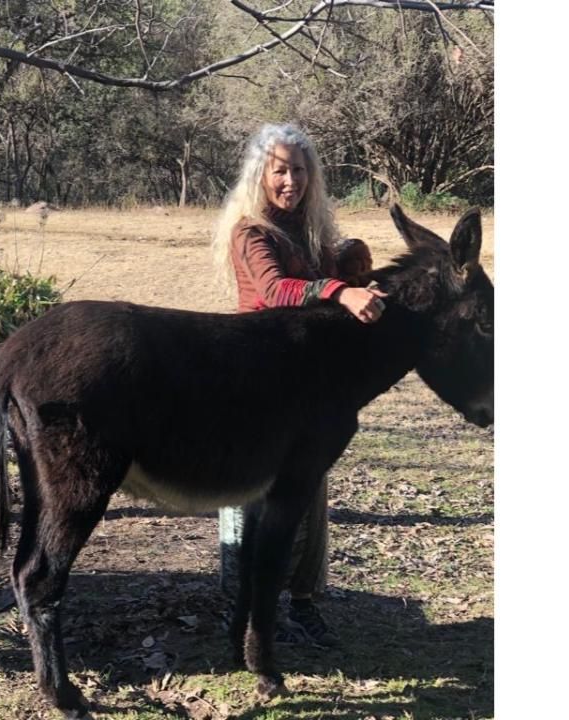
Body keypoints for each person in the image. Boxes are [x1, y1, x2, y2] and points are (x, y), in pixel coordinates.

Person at [211, 123, 384, 647]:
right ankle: (238, 606)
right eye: (280, 169)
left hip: (308, 380)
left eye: (300, 169)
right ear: (260, 174)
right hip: (256, 374)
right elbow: (275, 288)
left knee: (309, 490)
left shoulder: (313, 233)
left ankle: (303, 601)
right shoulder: (251, 231)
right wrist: (339, 291)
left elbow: (333, 286)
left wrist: (358, 285)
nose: (291, 180)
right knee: (251, 492)